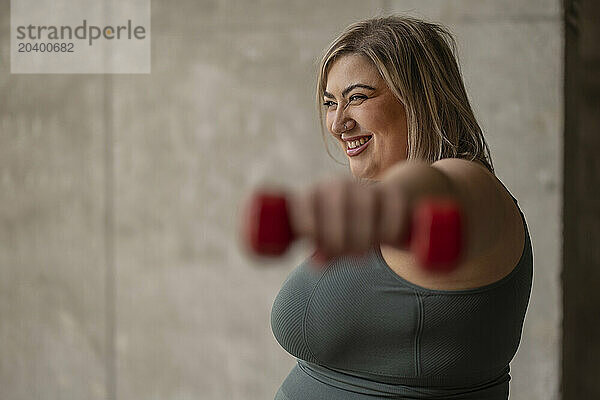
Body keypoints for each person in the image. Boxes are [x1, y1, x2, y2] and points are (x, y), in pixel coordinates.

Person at [269, 15, 533, 400]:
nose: (338, 123)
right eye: (330, 103)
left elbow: (440, 189)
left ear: (418, 97)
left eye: (357, 97)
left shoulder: (473, 188)